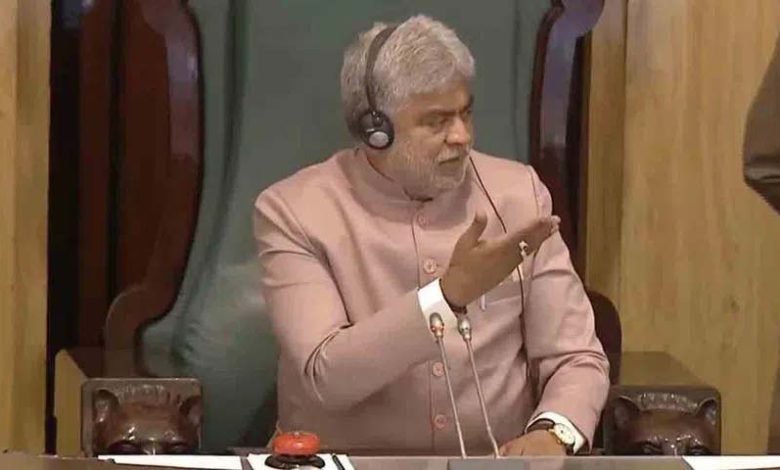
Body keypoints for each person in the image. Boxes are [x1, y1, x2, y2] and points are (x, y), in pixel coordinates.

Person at [254, 15, 609, 456]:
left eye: (465, 113)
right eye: (436, 121)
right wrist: (448, 296)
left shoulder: (519, 195)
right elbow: (324, 377)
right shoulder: (293, 210)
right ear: (375, 131)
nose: (462, 136)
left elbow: (575, 357)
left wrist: (552, 433)